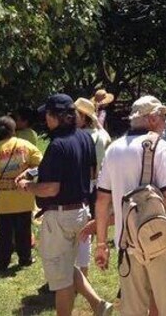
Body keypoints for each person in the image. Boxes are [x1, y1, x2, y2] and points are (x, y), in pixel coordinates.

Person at [93, 96, 166, 316]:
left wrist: (101, 243)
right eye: (161, 116)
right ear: (151, 119)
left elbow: (102, 200)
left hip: (127, 244)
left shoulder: (114, 149)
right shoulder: (160, 147)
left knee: (133, 311)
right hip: (160, 242)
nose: (164, 122)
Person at [15, 94, 111, 316]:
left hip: (60, 216)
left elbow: (51, 188)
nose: (45, 119)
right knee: (66, 267)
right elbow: (91, 174)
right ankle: (98, 304)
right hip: (81, 211)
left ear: (56, 116)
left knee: (61, 280)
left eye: (47, 114)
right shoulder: (85, 138)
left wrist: (28, 185)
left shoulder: (57, 145)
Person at [0, 116, 42, 271]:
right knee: (24, 230)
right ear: (14, 130)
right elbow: (42, 165)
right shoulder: (26, 145)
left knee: (4, 233)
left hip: (2, 200)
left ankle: (2, 261)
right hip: (24, 197)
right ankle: (25, 258)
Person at [73, 98, 112, 277]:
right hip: (99, 185)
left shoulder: (87, 136)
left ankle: (82, 269)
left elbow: (92, 168)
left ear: (83, 116)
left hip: (88, 185)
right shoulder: (101, 134)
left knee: (85, 227)